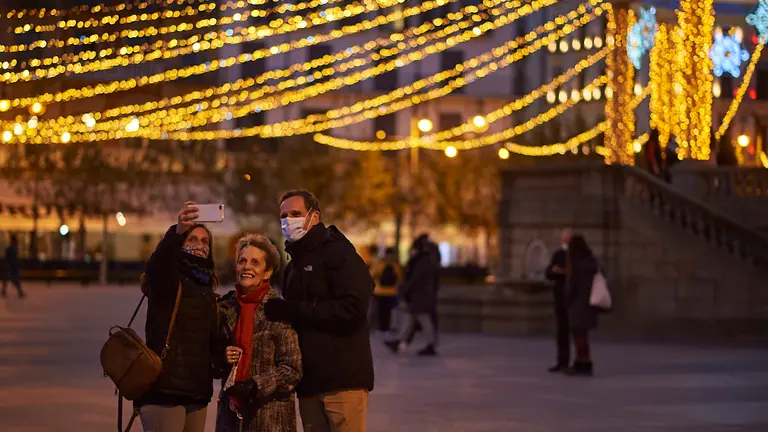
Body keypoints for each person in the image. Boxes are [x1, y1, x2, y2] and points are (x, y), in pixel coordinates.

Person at [264, 189, 374, 432]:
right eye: (283, 215)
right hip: (309, 381)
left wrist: (293, 310)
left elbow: (353, 307)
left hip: (342, 380)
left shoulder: (338, 253)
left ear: (314, 217)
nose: (288, 220)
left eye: (295, 213)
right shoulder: (294, 263)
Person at [136, 201, 224, 432]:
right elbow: (157, 266)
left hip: (196, 394)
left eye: (205, 242)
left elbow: (209, 342)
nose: (200, 246)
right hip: (164, 392)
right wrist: (176, 232)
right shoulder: (169, 280)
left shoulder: (207, 291)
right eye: (192, 239)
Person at [215, 234, 302, 432]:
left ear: (267, 272)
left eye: (256, 262)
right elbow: (210, 359)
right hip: (231, 419)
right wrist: (221, 356)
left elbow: (292, 370)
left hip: (271, 419)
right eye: (242, 261)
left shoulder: (278, 310)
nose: (247, 267)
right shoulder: (225, 308)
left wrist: (257, 385)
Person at [385, 237, 439, 356]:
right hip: (421, 297)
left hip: (420, 297)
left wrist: (404, 290)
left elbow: (415, 280)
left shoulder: (422, 262)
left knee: (421, 320)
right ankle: (401, 341)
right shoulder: (425, 261)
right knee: (412, 320)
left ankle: (428, 344)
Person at [564, 234, 600, 377]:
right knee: (583, 335)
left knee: (578, 335)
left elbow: (572, 286)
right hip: (590, 303)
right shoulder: (592, 262)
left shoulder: (576, 264)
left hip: (578, 304)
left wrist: (566, 300)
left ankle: (582, 363)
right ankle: (584, 362)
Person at [545, 227, 571, 373]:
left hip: (573, 297)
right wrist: (554, 271)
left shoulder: (576, 255)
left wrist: (566, 272)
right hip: (560, 297)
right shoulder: (558, 254)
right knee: (561, 331)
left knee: (573, 331)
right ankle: (562, 361)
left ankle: (577, 361)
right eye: (564, 236)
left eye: (568, 236)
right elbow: (548, 272)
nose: (566, 239)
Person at [370, 247, 401, 332]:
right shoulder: (396, 264)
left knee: (378, 310)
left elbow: (371, 275)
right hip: (391, 291)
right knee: (388, 311)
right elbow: (400, 278)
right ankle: (386, 328)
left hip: (379, 291)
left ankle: (379, 327)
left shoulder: (380, 263)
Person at [2, 234, 24, 299]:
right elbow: (9, 257)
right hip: (11, 266)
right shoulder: (11, 248)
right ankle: (19, 292)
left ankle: (19, 292)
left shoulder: (13, 248)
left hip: (12, 266)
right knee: (13, 279)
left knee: (10, 279)